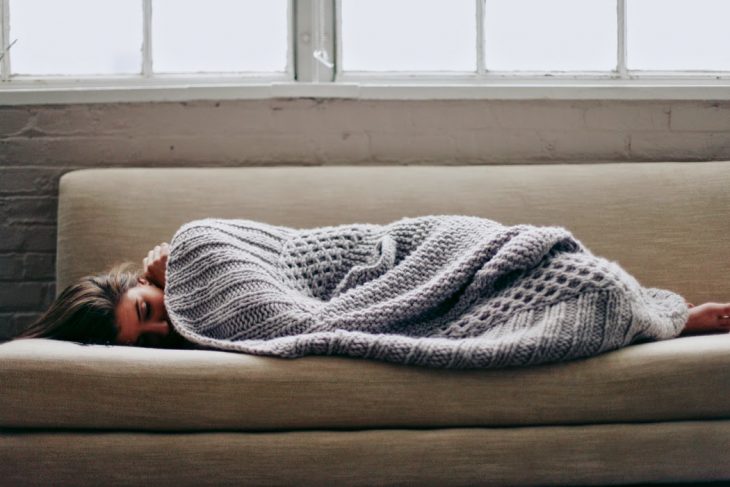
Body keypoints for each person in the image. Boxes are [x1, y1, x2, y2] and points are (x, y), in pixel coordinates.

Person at [9, 241, 730, 348]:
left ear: (138, 281)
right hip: (372, 292)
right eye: (156, 337)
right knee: (592, 293)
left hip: (399, 253)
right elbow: (296, 323)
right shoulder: (198, 338)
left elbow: (283, 268)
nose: (171, 324)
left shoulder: (191, 249)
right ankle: (661, 317)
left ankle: (662, 312)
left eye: (151, 310)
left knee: (570, 271)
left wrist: (184, 266)